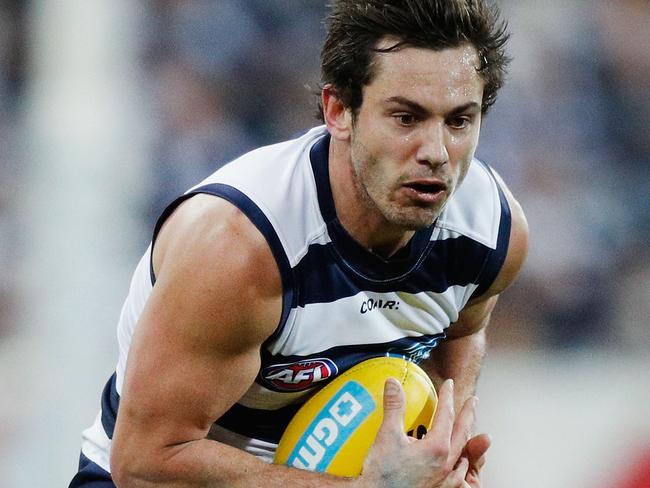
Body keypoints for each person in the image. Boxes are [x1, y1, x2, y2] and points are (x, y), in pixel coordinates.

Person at [70, 0, 528, 486]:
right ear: (339, 111)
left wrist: (442, 452)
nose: (436, 153)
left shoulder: (489, 233)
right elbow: (146, 463)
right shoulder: (242, 249)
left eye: (459, 121)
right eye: (405, 118)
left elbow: (460, 331)